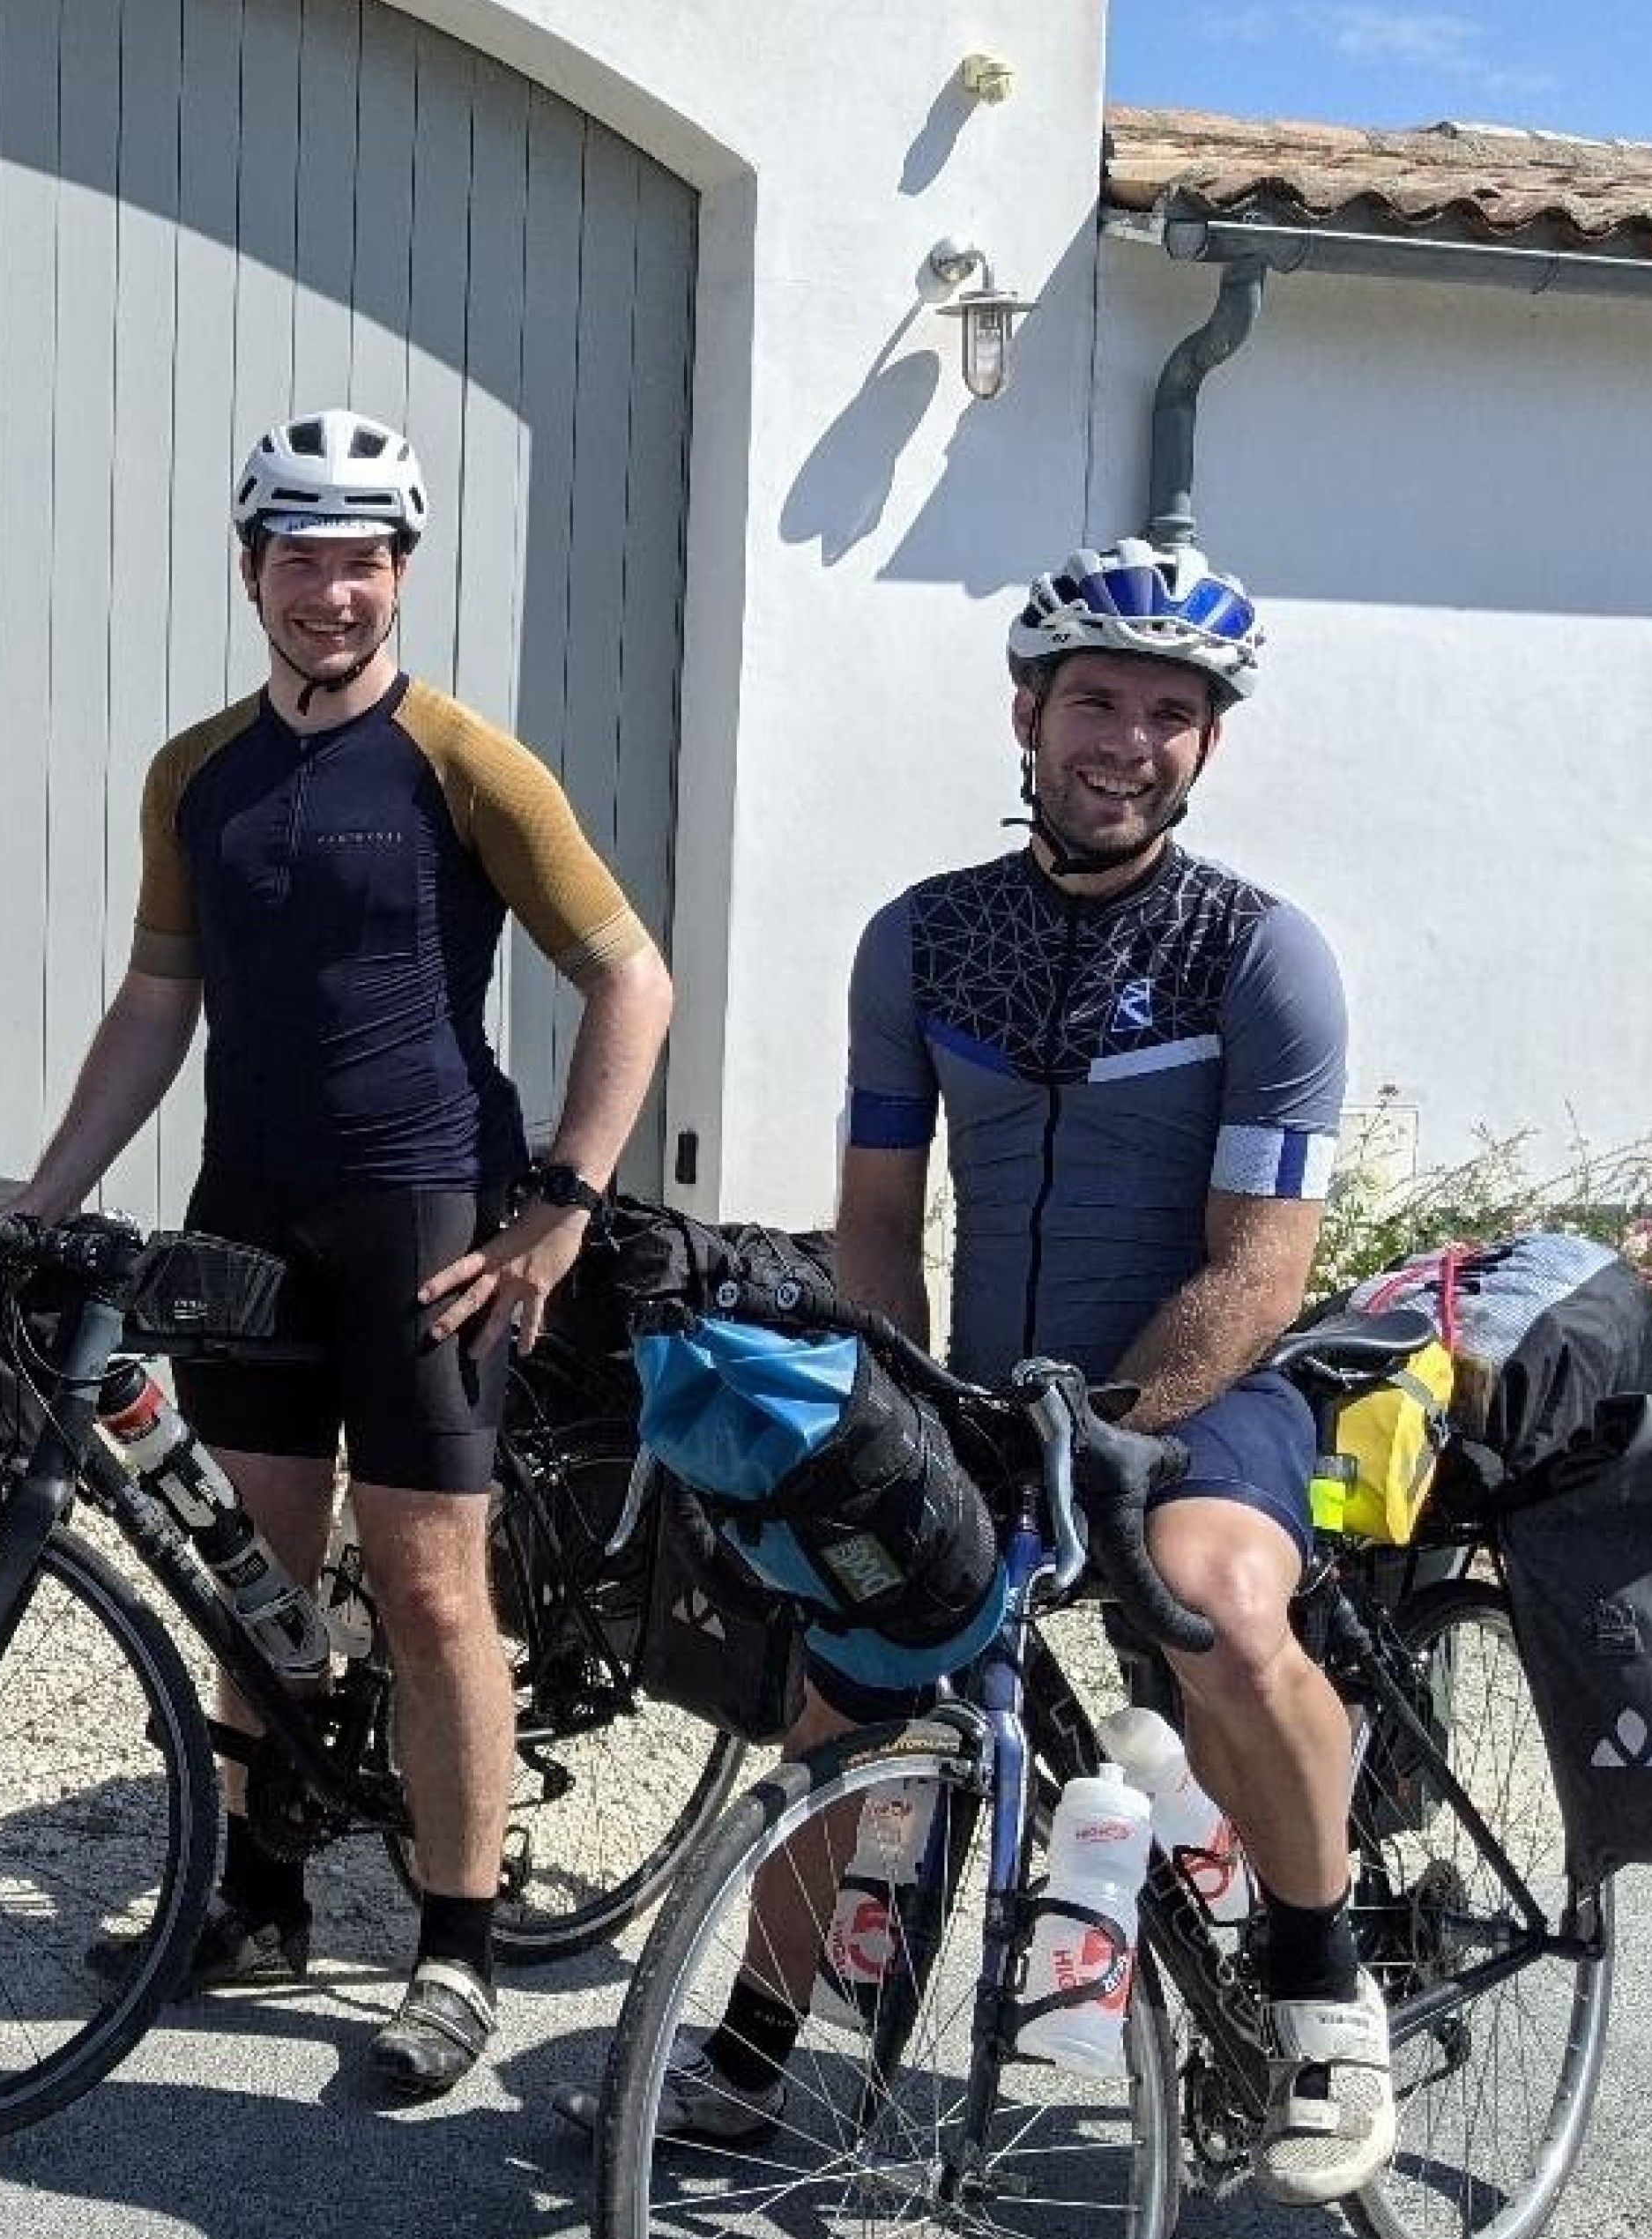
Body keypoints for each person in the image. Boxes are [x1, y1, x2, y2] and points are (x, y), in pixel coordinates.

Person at [647, 536, 1385, 2203]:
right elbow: (877, 1221)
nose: (1128, 740)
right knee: (852, 1680)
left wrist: (1122, 1425)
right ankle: (762, 2045)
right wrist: (898, 1400)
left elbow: (1262, 1263)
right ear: (1028, 715)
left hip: (1200, 1388)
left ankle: (1328, 1989)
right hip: (985, 1390)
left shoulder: (1262, 955)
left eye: (1170, 713)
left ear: (1209, 744)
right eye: (1098, 701)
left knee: (1211, 1600)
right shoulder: (922, 943)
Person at [4, 408, 675, 2100]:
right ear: (252, 572)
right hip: (254, 1208)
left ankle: (454, 1943)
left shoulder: (465, 762)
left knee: (437, 1583)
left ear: (402, 574)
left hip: (429, 1213)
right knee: (256, 1570)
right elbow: (160, 1002)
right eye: (302, 557)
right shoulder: (196, 773)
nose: (333, 590)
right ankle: (263, 1895)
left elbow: (630, 979)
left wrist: (561, 1205)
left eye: (364, 559)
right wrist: (42, 1195)